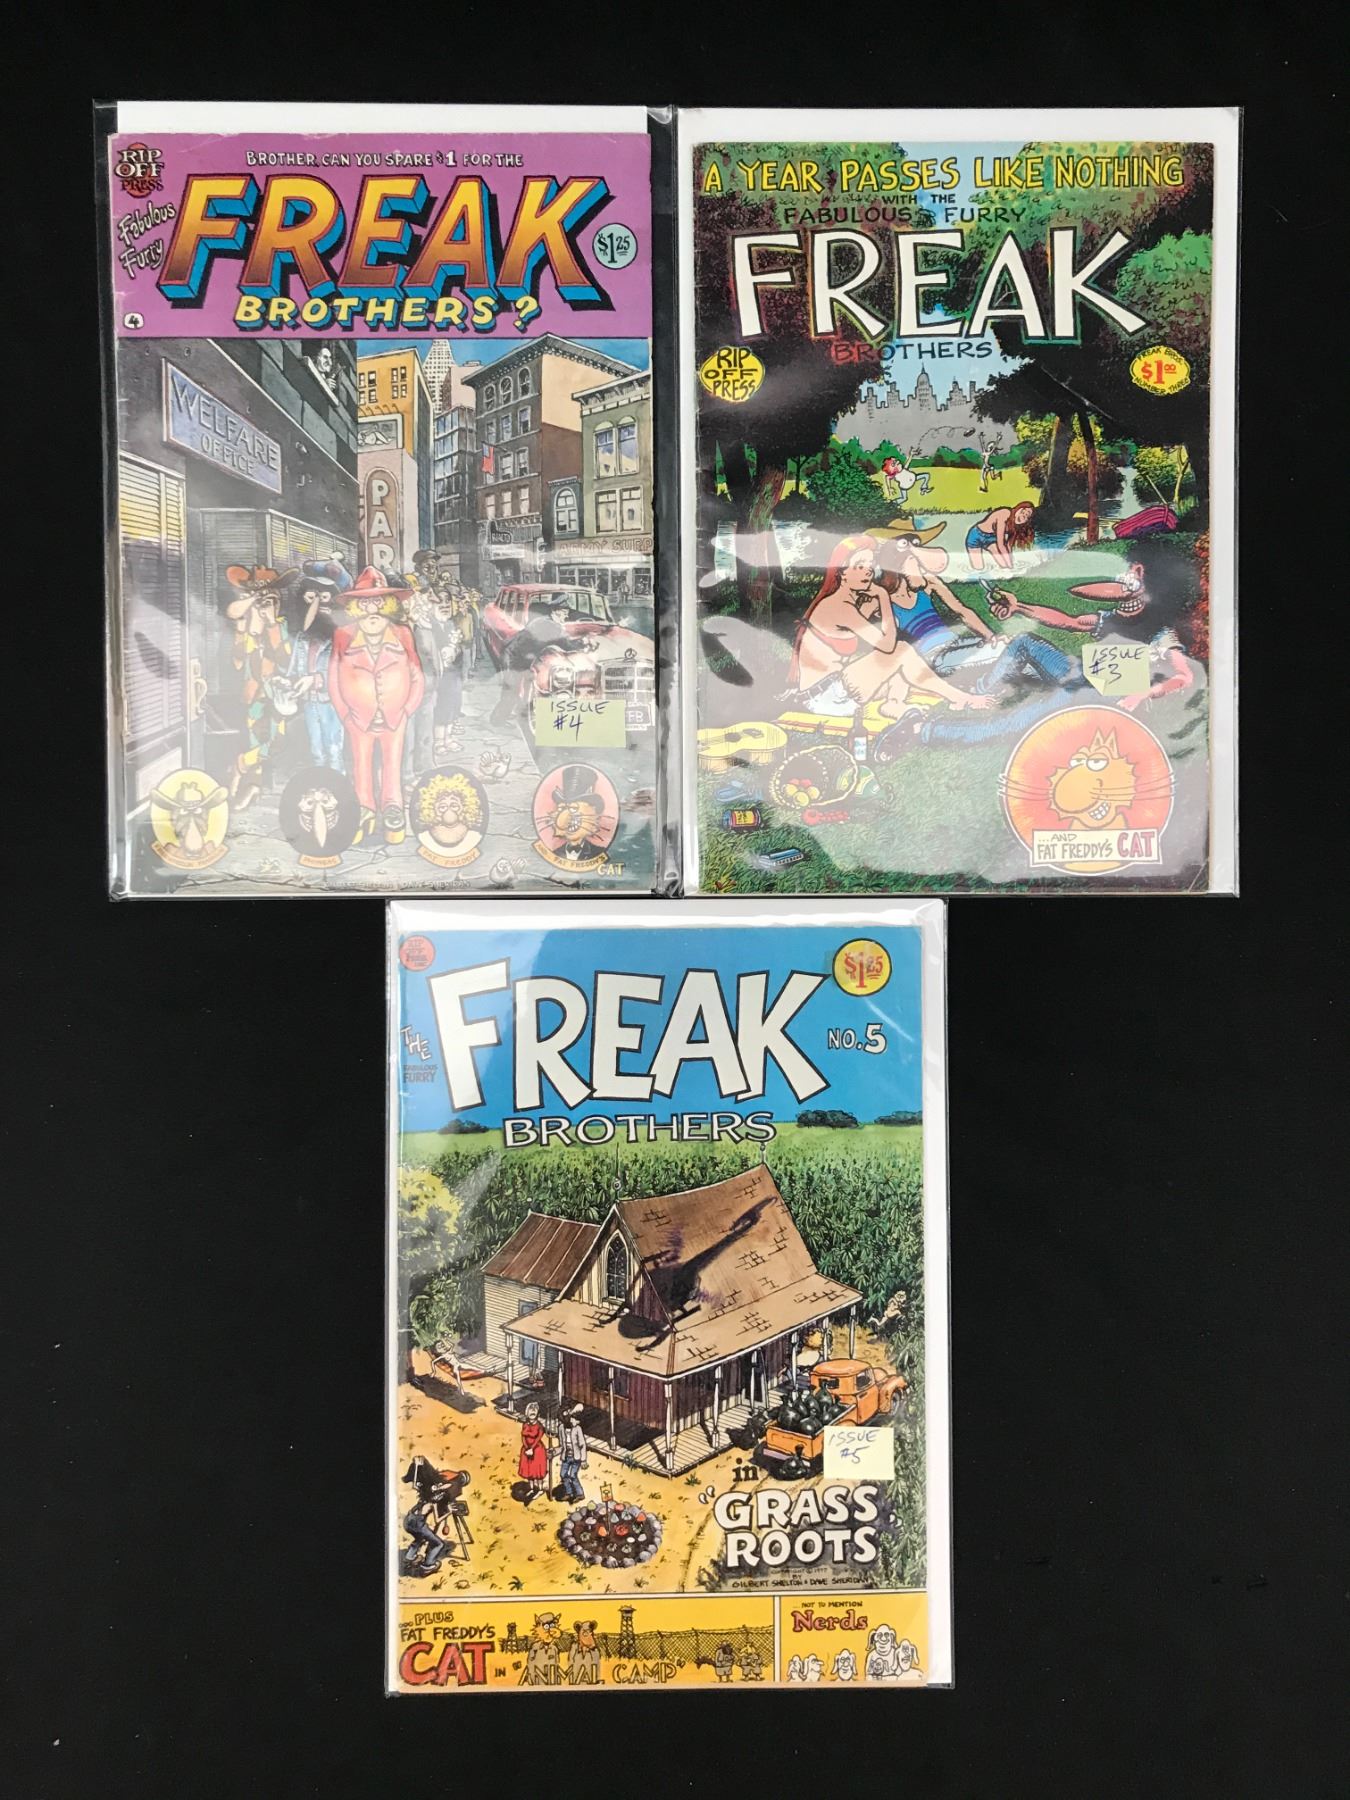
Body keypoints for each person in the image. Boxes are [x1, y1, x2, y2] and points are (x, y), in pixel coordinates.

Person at [328, 567, 425, 843]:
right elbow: (333, 677)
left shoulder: (402, 633)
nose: (372, 610)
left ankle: (393, 808)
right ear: (355, 608)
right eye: (365, 603)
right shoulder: (343, 635)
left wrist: (407, 709)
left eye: (379, 603)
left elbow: (417, 673)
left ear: (389, 605)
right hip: (358, 717)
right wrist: (345, 715)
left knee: (393, 763)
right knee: (361, 764)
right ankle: (364, 809)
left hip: (395, 716)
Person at [224, 566, 291, 810]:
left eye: (269, 602)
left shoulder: (279, 626)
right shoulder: (246, 631)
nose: (263, 607)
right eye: (261, 602)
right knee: (257, 741)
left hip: (276, 695)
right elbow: (237, 662)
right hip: (253, 695)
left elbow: (285, 660)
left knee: (276, 741)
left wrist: (271, 623)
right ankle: (253, 786)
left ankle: (239, 766)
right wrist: (243, 629)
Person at [280, 570, 344, 772]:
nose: (318, 605)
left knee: (334, 749)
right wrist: (286, 682)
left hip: (331, 702)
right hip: (309, 702)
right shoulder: (302, 638)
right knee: (316, 750)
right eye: (312, 598)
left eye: (323, 598)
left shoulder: (341, 638)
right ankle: (320, 783)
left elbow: (343, 672)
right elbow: (293, 669)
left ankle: (337, 784)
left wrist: (316, 679)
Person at [966, 501, 1036, 570]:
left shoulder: (1015, 527)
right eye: (1023, 512)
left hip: (991, 539)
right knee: (979, 568)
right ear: (1017, 509)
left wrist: (1010, 563)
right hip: (975, 535)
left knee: (1004, 566)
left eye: (1027, 516)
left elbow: (1008, 546)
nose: (1024, 515)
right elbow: (1001, 545)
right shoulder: (1005, 513)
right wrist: (1011, 567)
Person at [517, 1401, 548, 1498]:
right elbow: (523, 1437)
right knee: (529, 1470)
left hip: (537, 1449)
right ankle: (531, 1488)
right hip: (526, 1450)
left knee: (537, 1471)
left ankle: (540, 1489)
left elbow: (538, 1438)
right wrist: (527, 1448)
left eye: (534, 1411)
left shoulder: (539, 1426)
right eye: (530, 1411)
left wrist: (532, 1448)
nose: (532, 1413)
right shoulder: (525, 1425)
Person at [559, 1403, 588, 1501]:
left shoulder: (577, 1429)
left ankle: (580, 1493)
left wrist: (583, 1460)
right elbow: (561, 1444)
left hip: (576, 1457)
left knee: (573, 1475)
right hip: (566, 1456)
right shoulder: (561, 1428)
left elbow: (582, 1444)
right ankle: (569, 1492)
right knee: (563, 1474)